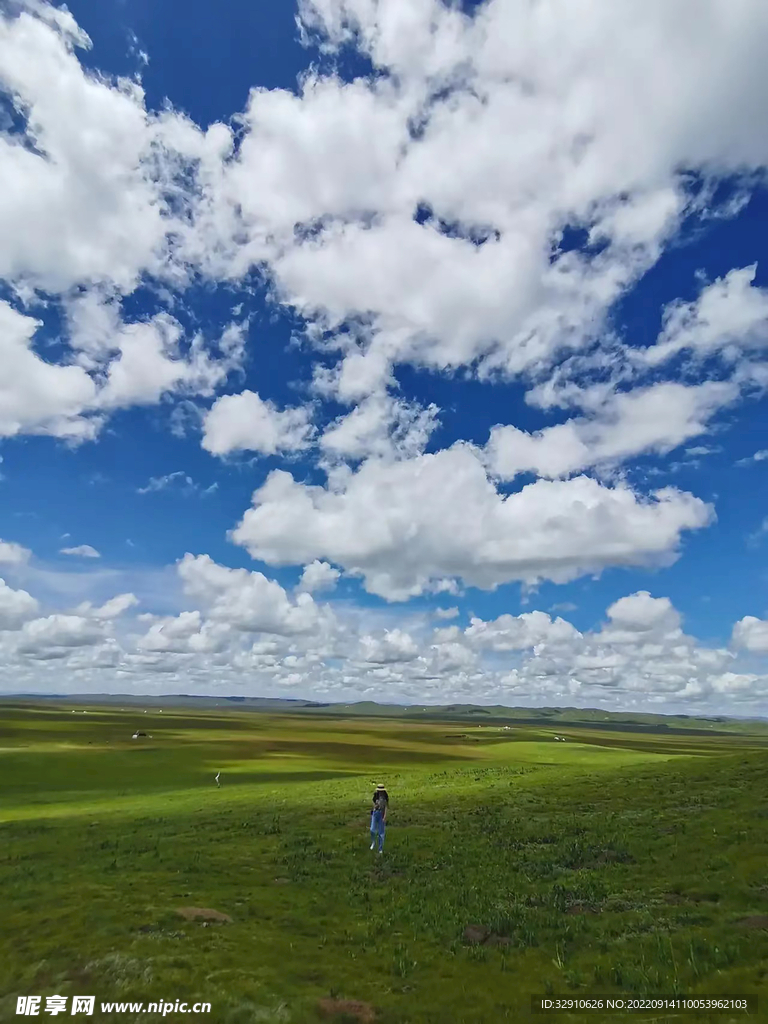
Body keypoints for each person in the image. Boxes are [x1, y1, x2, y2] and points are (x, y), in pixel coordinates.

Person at [370, 783, 388, 854]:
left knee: (381, 832)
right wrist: (375, 806)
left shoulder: (385, 797)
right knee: (372, 830)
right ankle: (373, 842)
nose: (380, 792)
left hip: (381, 814)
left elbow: (386, 806)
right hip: (375, 813)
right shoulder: (375, 795)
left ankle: (380, 848)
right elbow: (373, 804)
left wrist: (385, 816)